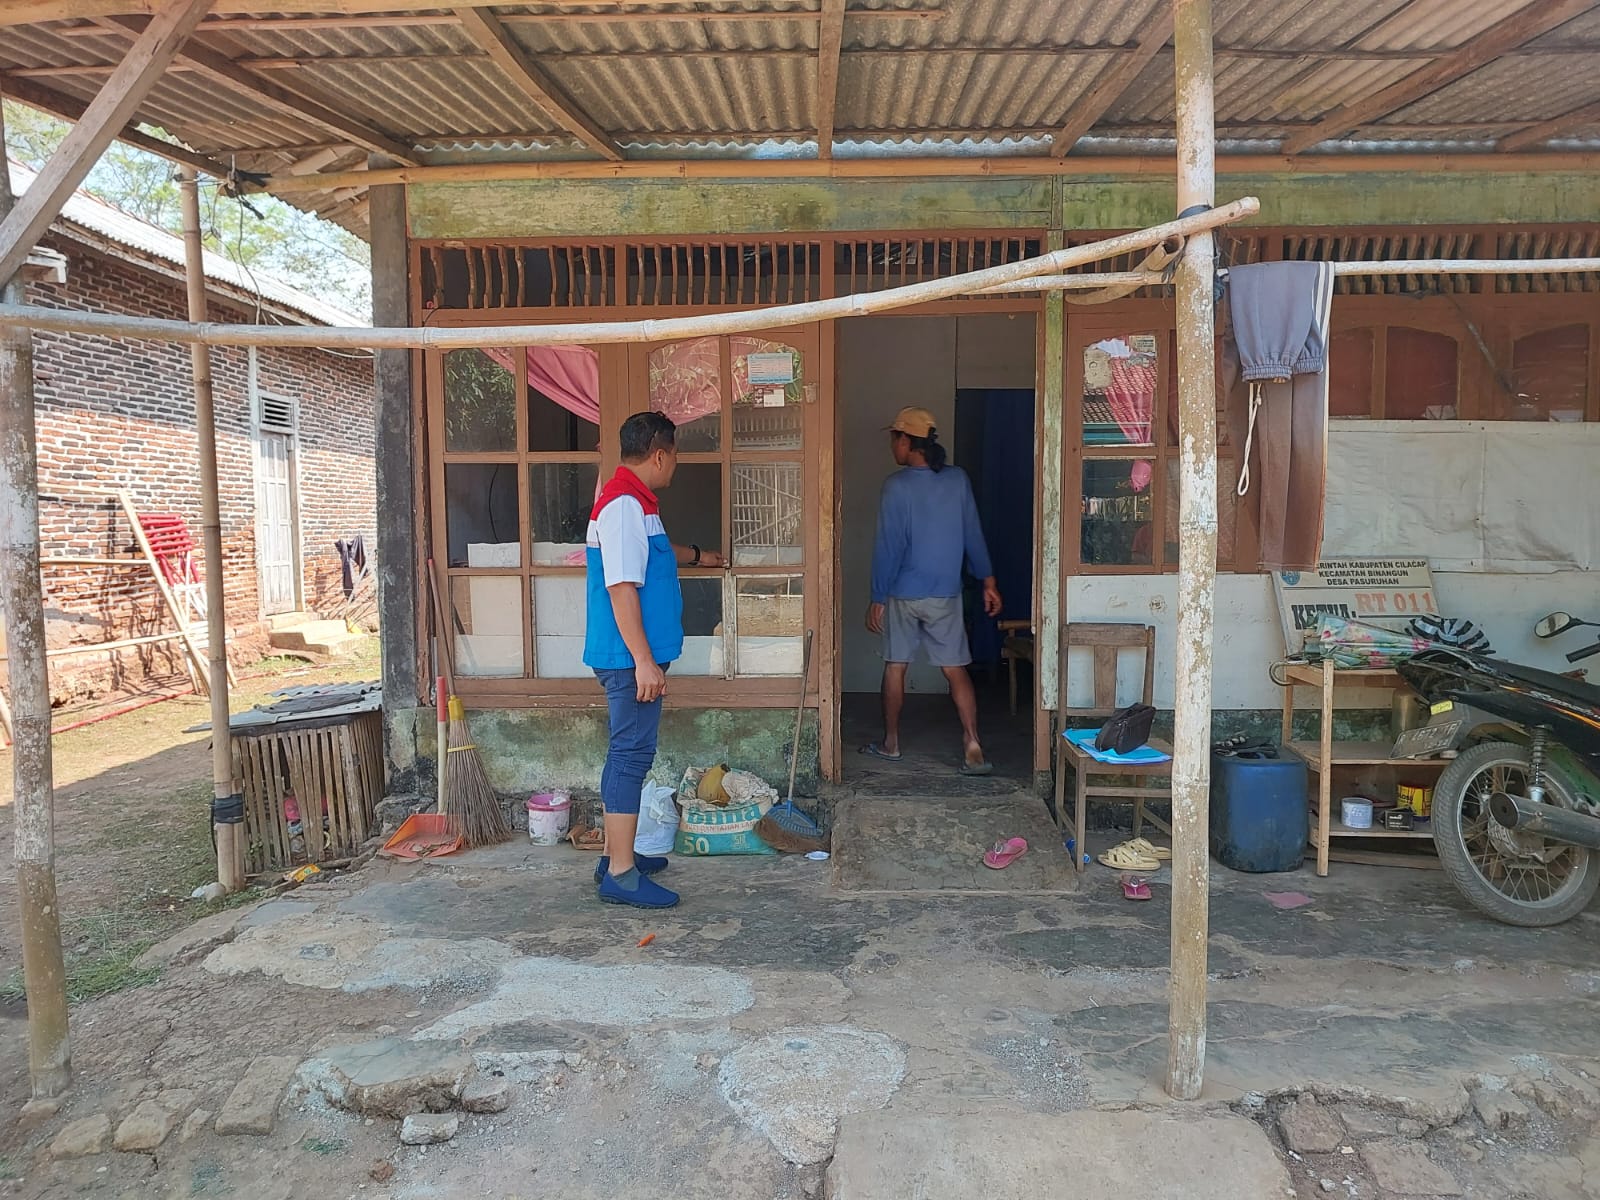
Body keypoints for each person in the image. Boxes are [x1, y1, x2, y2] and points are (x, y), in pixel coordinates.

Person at [585, 411, 724, 908]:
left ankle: (614, 856)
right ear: (660, 455)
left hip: (632, 656)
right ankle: (621, 874)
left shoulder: (634, 500)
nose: (676, 464)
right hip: (629, 659)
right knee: (631, 755)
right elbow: (622, 587)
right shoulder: (624, 505)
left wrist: (698, 556)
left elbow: (653, 555)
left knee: (624, 752)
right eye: (675, 455)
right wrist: (643, 661)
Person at [862, 406, 1003, 775]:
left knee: (896, 666)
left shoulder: (896, 486)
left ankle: (891, 743)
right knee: (955, 669)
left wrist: (877, 596)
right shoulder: (957, 480)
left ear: (906, 441)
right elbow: (973, 533)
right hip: (945, 592)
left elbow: (889, 547)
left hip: (904, 593)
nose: (892, 446)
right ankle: (972, 741)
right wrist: (988, 580)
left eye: (894, 439)